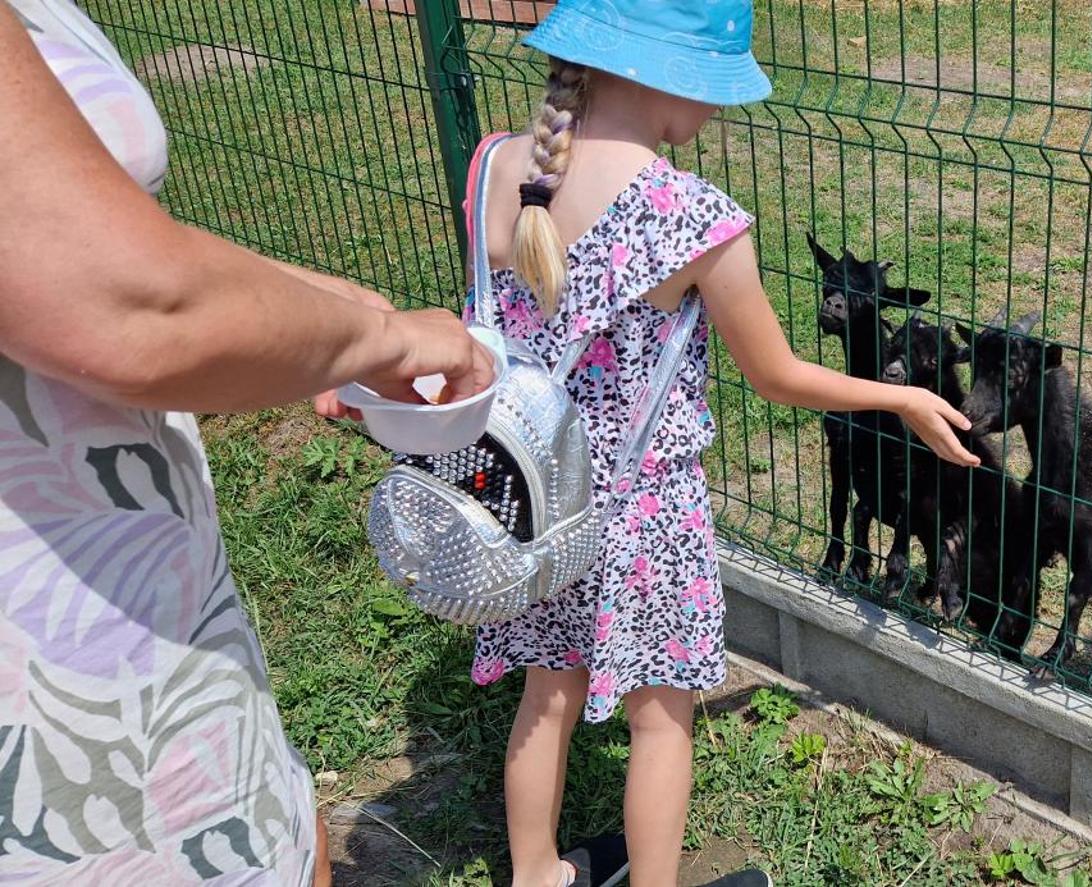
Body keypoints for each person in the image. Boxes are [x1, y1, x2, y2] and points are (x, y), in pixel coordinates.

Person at [346, 1, 979, 884]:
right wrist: (904, 393)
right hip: (646, 508)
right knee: (662, 714)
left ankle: (535, 873)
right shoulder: (690, 216)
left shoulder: (497, 165)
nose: (719, 109)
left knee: (547, 689)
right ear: (664, 71)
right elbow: (779, 374)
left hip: (526, 492)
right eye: (717, 85)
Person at [0, 0, 494, 882]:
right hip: (59, 715)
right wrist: (383, 340)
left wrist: (336, 311)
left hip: (143, 626)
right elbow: (125, 306)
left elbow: (93, 236)